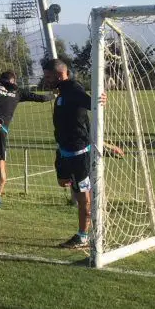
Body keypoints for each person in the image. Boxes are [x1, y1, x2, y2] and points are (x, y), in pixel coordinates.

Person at [0, 71, 54, 209]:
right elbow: (40, 98)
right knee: (0, 167)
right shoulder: (18, 91)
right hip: (2, 129)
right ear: (13, 81)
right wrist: (54, 95)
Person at [42, 59, 105, 249]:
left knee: (83, 195)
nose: (45, 80)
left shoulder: (73, 89)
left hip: (78, 154)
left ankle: (83, 235)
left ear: (60, 75)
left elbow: (93, 103)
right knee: (65, 184)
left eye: (48, 77)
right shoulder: (62, 92)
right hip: (63, 152)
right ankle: (89, 228)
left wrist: (100, 99)